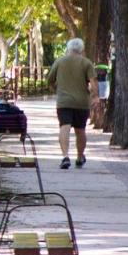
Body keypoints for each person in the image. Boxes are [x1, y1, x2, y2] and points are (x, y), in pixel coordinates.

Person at [49, 37, 94, 169]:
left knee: (64, 127)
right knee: (80, 130)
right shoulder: (86, 63)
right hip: (82, 102)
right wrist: (95, 96)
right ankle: (80, 157)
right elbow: (93, 81)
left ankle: (65, 156)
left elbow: (50, 80)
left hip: (64, 101)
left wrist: (57, 90)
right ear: (82, 49)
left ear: (68, 48)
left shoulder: (59, 61)